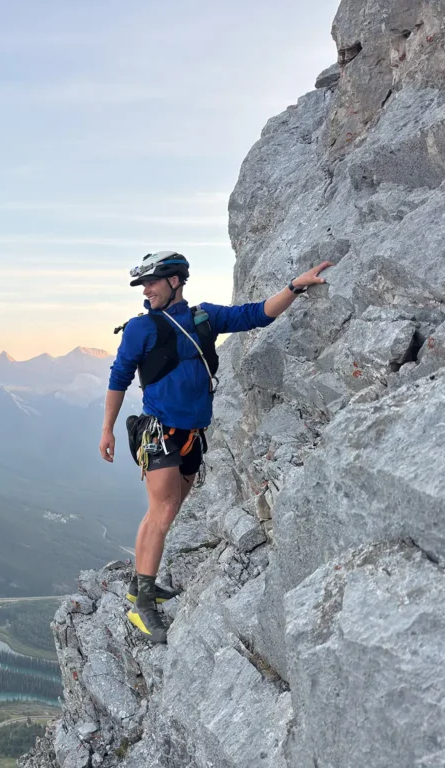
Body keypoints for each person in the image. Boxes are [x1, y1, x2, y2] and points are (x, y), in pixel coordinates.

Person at [99, 251, 332, 643]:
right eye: (143, 285)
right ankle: (143, 607)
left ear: (175, 281)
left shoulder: (204, 318)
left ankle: (141, 585)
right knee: (163, 510)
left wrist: (294, 286)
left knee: (164, 512)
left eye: (152, 282)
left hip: (193, 435)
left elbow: (255, 314)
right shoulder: (140, 329)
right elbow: (119, 377)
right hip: (159, 432)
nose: (146, 290)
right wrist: (106, 429)